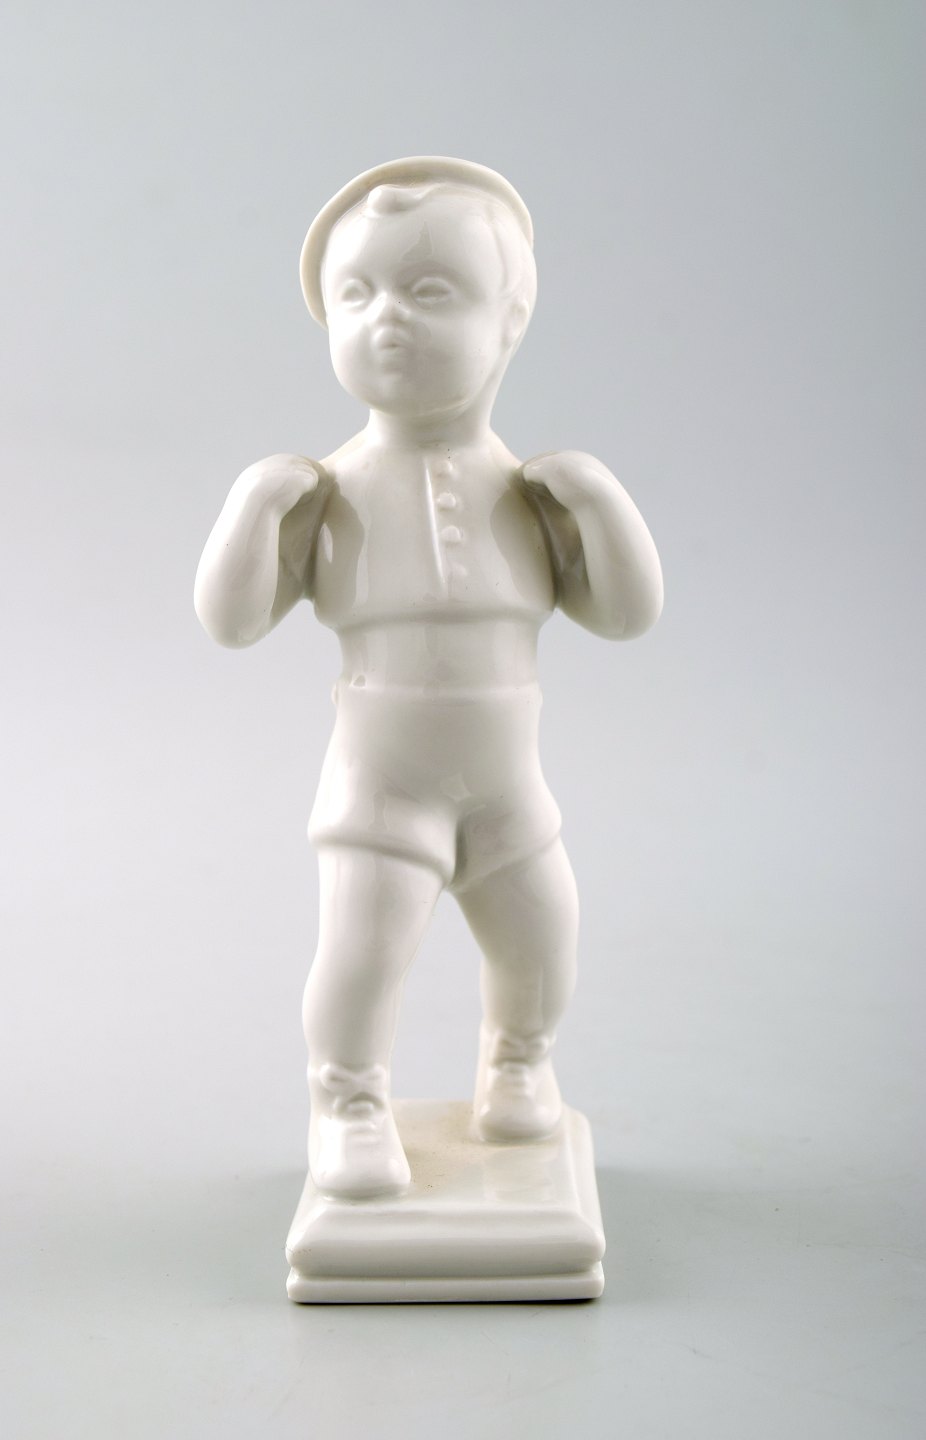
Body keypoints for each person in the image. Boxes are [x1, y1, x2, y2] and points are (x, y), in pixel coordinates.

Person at [194, 157, 663, 1199]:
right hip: (380, 786)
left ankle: (518, 1063)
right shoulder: (325, 493)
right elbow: (231, 623)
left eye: (429, 290)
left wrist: (598, 501)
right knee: (361, 957)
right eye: (356, 295)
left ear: (512, 318)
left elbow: (625, 616)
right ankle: (349, 1103)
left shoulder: (531, 495)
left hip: (507, 789)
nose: (387, 320)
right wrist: (252, 509)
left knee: (543, 937)